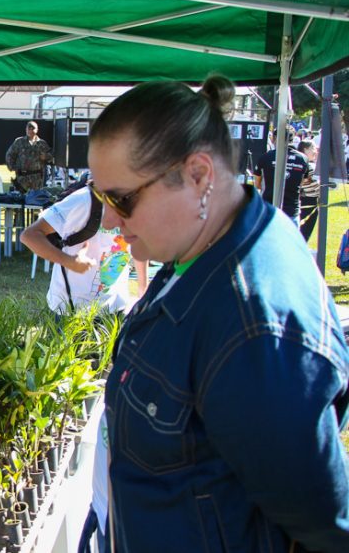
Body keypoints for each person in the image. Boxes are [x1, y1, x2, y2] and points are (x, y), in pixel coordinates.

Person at [87, 74, 349, 552]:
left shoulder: (254, 329)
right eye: (101, 197)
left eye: (121, 199)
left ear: (199, 175)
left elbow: (321, 527)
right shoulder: (199, 241)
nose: (108, 220)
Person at [20, 184, 148, 314]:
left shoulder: (140, 200)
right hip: (71, 310)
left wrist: (143, 289)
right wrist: (69, 261)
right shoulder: (83, 199)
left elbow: (139, 242)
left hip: (116, 307)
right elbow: (29, 235)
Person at [254, 126, 311, 224]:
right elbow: (303, 182)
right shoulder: (303, 159)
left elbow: (257, 184)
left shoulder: (265, 157)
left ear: (275, 138)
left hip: (269, 210)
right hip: (291, 211)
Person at [6, 121, 52, 192]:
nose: (30, 131)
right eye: (28, 129)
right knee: (21, 199)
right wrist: (12, 167)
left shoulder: (42, 143)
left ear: (37, 130)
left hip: (37, 178)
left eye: (32, 129)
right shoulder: (19, 142)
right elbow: (10, 154)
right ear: (26, 129)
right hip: (22, 177)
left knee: (35, 199)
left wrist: (46, 157)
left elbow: (51, 156)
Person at [296, 139, 320, 242]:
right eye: (313, 148)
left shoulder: (299, 162)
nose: (316, 151)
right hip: (309, 204)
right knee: (303, 236)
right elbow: (318, 188)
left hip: (300, 202)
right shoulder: (309, 167)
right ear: (305, 150)